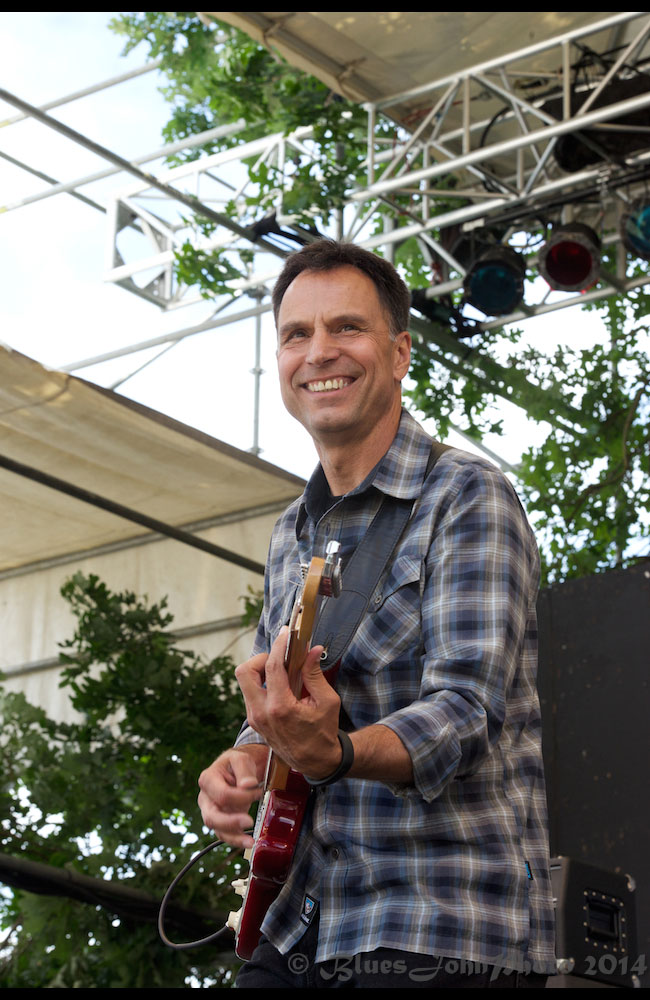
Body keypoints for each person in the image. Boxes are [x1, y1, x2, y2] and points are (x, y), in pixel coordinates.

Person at [198, 241, 556, 988]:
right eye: (296, 334)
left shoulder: (467, 495)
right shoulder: (291, 531)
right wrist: (247, 760)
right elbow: (280, 706)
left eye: (347, 328)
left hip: (441, 914)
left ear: (399, 354)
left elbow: (466, 712)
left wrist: (336, 754)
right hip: (301, 916)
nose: (318, 352)